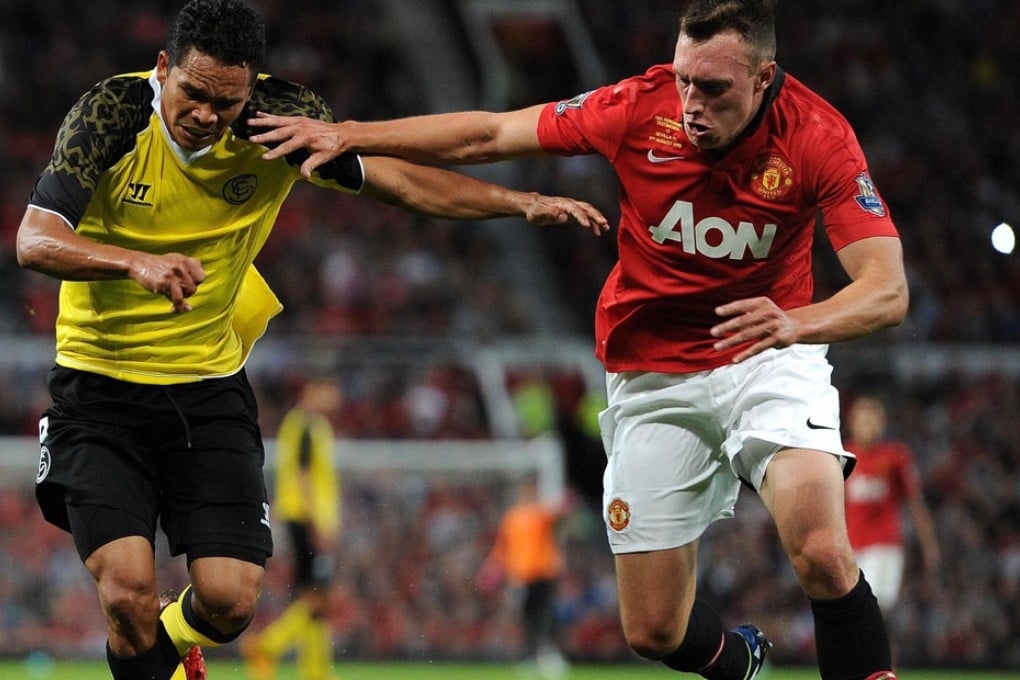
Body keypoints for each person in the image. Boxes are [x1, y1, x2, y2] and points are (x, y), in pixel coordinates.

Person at [247, 1, 909, 678]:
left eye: (713, 89)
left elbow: (886, 288)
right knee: (652, 630)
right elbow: (490, 134)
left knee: (823, 551)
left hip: (769, 353)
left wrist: (797, 323)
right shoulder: (636, 105)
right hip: (653, 372)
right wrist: (350, 134)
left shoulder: (818, 136)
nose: (690, 104)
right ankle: (736, 661)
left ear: (764, 77)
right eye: (684, 80)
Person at [14, 1, 608, 679]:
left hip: (205, 388)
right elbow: (35, 238)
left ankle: (171, 644)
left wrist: (515, 203)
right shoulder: (112, 114)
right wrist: (134, 262)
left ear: (253, 88)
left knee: (231, 601)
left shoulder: (278, 124)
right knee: (126, 594)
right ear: (162, 68)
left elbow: (397, 180)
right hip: (99, 388)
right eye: (194, 93)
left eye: (226, 101)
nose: (207, 115)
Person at [242, 378, 344, 680]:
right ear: (312, 390)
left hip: (302, 518)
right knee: (318, 597)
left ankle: (315, 671)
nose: (335, 399)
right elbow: (302, 477)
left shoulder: (303, 425)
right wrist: (317, 524)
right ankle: (267, 645)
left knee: (313, 597)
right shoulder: (306, 426)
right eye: (329, 391)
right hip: (305, 519)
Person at [844, 394, 941, 612]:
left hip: (884, 547)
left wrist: (929, 545)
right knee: (857, 615)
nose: (869, 424)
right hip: (850, 549)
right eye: (863, 418)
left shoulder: (895, 457)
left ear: (883, 422)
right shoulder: (843, 456)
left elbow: (915, 503)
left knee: (872, 610)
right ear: (852, 422)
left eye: (874, 418)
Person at [477, 475, 569, 679]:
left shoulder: (540, 513)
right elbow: (502, 549)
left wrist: (565, 500)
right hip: (521, 576)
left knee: (544, 614)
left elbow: (559, 516)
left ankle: (547, 655)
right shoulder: (512, 518)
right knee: (528, 617)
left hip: (543, 572)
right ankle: (533, 657)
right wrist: (491, 569)